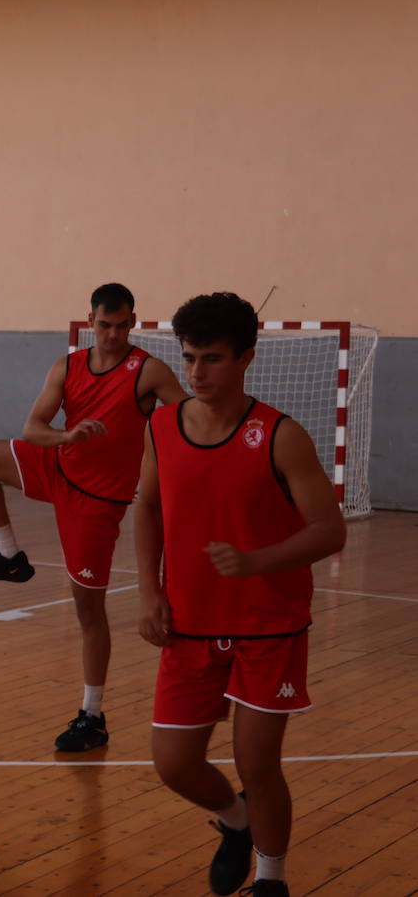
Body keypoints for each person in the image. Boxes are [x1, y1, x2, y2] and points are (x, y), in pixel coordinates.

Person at [136, 292, 345, 897]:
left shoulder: (280, 436)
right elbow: (147, 508)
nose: (197, 373)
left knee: (258, 762)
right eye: (189, 358)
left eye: (213, 359)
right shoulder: (162, 426)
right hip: (187, 624)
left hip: (268, 627)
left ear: (246, 358)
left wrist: (256, 562)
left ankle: (271, 879)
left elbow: (329, 531)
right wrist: (149, 590)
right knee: (173, 764)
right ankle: (236, 821)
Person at [0, 283, 187, 751]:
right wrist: (65, 437)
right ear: (90, 321)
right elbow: (33, 428)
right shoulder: (68, 366)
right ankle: (8, 557)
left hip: (97, 503)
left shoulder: (149, 371)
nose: (113, 334)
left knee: (88, 613)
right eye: (105, 325)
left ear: (133, 322)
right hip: (57, 464)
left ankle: (92, 716)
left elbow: (189, 420)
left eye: (122, 326)